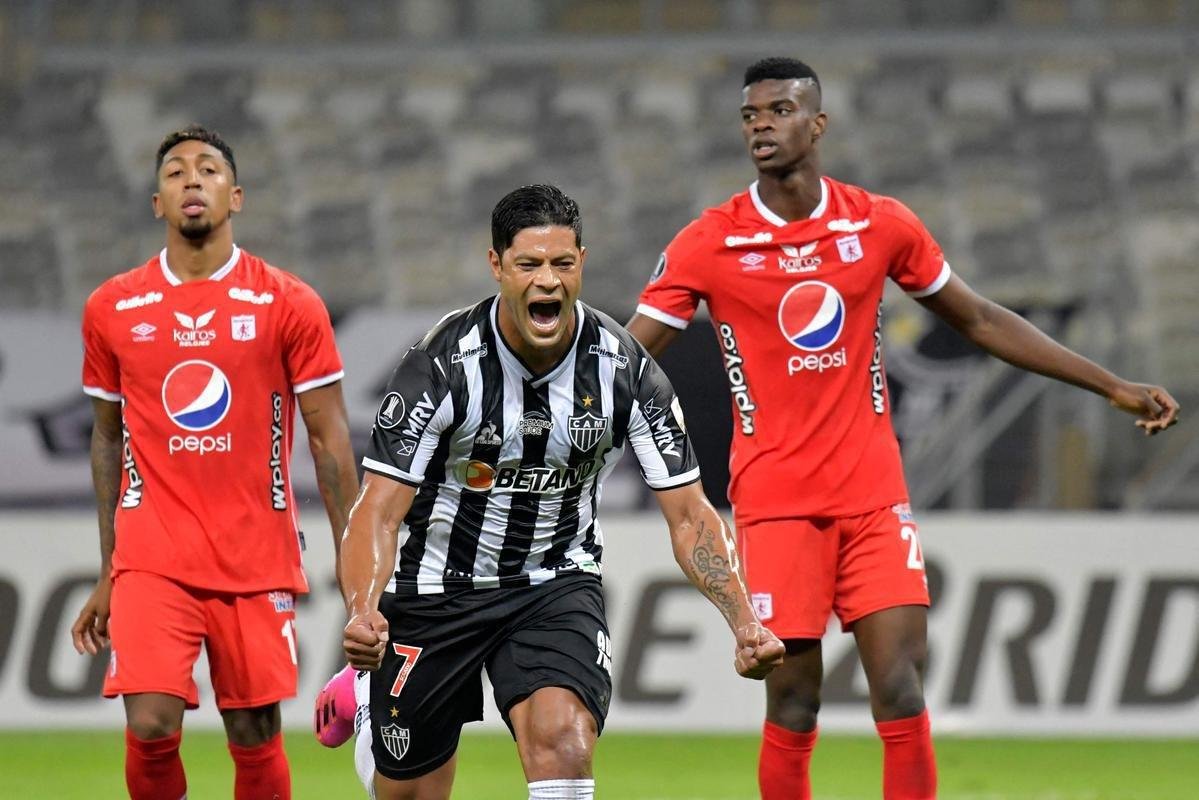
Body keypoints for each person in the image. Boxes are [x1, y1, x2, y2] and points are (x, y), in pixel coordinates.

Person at [626, 58, 1181, 800]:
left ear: (816, 124)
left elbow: (979, 318)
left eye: (780, 109)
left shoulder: (877, 223)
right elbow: (625, 354)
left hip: (872, 495)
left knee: (900, 687)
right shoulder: (711, 242)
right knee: (793, 699)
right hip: (776, 499)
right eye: (750, 114)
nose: (761, 124)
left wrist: (1109, 383)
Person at [329, 183, 785, 800]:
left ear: (582, 263)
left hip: (552, 585)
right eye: (529, 264)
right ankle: (370, 704)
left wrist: (743, 621)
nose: (547, 281)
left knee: (564, 743)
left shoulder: (621, 368)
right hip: (436, 590)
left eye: (562, 263)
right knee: (410, 792)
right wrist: (363, 609)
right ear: (497, 266)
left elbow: (689, 514)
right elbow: (378, 512)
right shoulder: (443, 365)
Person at [70, 125, 360, 800]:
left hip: (254, 554)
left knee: (255, 734)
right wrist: (112, 567)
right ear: (156, 202)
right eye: (175, 172)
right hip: (152, 552)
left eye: (207, 170)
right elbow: (106, 439)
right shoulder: (112, 308)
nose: (191, 180)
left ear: (236, 196)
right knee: (147, 723)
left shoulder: (288, 301)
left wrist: (357, 576)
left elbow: (330, 441)